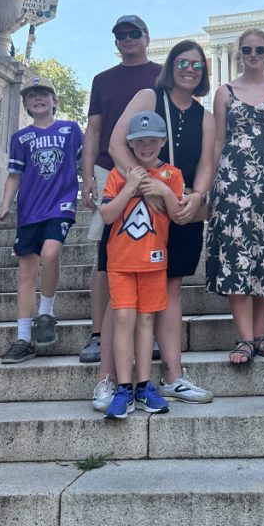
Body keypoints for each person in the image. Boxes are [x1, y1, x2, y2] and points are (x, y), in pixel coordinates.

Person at [108, 39, 215, 405]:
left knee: (170, 290)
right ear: (170, 65)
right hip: (136, 211)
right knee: (121, 300)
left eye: (197, 65)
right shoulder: (148, 97)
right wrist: (144, 184)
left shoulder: (206, 115)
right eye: (183, 62)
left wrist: (196, 197)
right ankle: (110, 379)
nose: (189, 69)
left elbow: (206, 165)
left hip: (180, 210)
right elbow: (116, 144)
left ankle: (173, 375)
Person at [79, 15, 161, 377]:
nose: (126, 39)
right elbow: (94, 129)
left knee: (149, 247)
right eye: (120, 35)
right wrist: (86, 177)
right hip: (107, 168)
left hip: (151, 168)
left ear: (146, 37)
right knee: (104, 253)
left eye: (133, 33)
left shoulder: (162, 74)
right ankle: (99, 332)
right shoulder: (103, 79)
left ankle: (149, 331)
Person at [207, 27, 264, 365]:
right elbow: (218, 142)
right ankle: (243, 338)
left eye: (259, 50)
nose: (253, 55)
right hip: (232, 183)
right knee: (235, 257)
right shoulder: (225, 91)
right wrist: (213, 186)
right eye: (247, 50)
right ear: (238, 54)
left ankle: (260, 335)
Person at [99, 110, 183, 419]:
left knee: (146, 322)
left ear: (162, 141)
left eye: (152, 140)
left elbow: (176, 215)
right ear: (130, 144)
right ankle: (123, 387)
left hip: (154, 262)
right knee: (123, 320)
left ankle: (144, 385)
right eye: (139, 141)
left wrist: (161, 191)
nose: (146, 146)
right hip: (121, 262)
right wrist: (131, 186)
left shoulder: (172, 174)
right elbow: (108, 216)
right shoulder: (119, 174)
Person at [0, 75, 83, 363]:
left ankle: (46, 313)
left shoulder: (70, 130)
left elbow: (87, 159)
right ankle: (23, 338)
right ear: (26, 105)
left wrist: (94, 186)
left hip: (61, 204)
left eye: (43, 93)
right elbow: (14, 175)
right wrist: (5, 204)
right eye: (32, 95)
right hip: (29, 209)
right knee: (26, 272)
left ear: (54, 101)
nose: (38, 98)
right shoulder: (20, 138)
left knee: (51, 252)